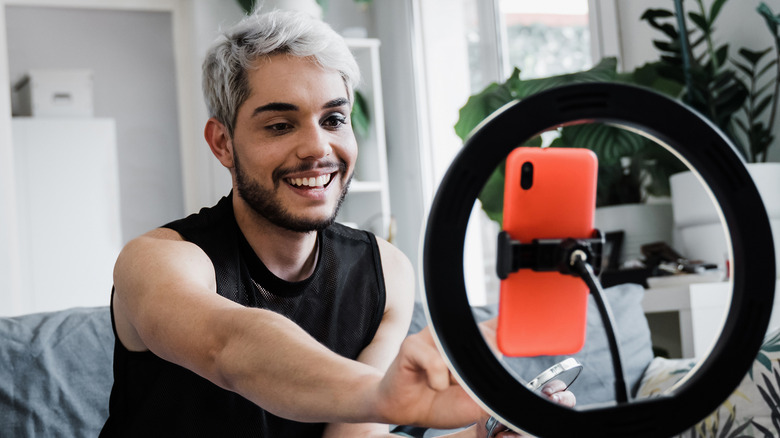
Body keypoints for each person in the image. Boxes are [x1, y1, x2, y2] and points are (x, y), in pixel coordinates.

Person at [100, 8, 574, 437]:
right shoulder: (157, 261)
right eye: (280, 125)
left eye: (333, 119)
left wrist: (478, 436)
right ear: (222, 143)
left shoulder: (385, 271)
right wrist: (378, 393)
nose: (318, 149)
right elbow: (227, 346)